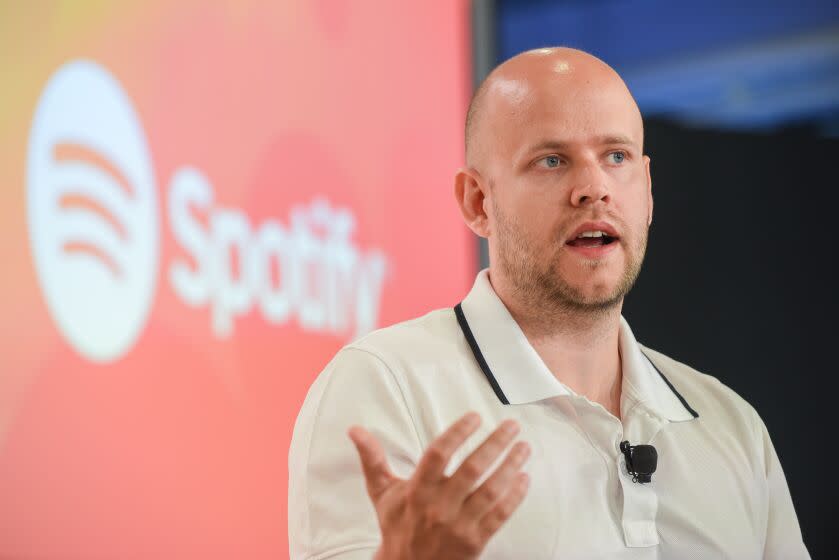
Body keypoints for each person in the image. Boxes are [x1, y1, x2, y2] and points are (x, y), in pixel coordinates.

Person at [287, 47, 809, 559]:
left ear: (647, 192)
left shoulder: (731, 425)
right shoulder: (386, 385)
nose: (593, 188)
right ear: (477, 202)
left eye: (616, 157)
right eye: (552, 160)